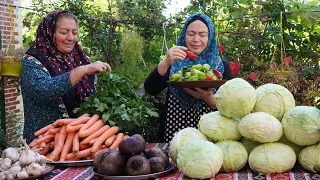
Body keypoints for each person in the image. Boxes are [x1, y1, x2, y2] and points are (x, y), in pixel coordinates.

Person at [21, 10, 111, 143]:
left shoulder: (79, 58)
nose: (70, 37)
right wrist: (81, 71)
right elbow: (43, 91)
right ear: (50, 32)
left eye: (74, 32)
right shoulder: (31, 60)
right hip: (41, 143)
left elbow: (93, 94)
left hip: (77, 141)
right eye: (64, 32)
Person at [144, 13, 234, 143]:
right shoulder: (175, 62)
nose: (196, 39)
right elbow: (151, 89)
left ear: (210, 37)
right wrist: (165, 62)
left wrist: (210, 99)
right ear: (184, 35)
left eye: (202, 35)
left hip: (210, 136)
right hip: (174, 133)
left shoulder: (221, 67)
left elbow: (231, 107)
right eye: (191, 34)